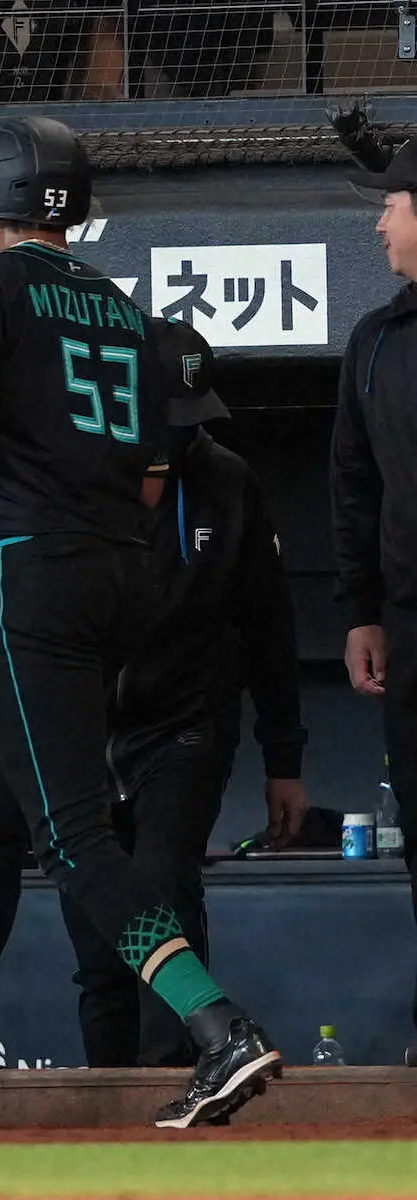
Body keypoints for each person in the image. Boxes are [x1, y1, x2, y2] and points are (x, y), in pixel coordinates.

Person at [0, 115, 281, 1132]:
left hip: (30, 576)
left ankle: (217, 1029)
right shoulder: (124, 308)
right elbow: (151, 463)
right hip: (119, 578)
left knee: (71, 834)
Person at [61, 319, 309, 1070]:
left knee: (164, 885)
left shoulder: (226, 480)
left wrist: (284, 759)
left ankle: (177, 1075)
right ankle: (109, 1092)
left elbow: (268, 627)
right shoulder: (71, 472)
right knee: (95, 925)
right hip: (81, 729)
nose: (179, 435)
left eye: (190, 417)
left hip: (184, 722)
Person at [331, 140, 417, 1037]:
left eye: (392, 203)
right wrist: (359, 610)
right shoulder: (375, 341)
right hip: (410, 623)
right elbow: (353, 488)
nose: (380, 222)